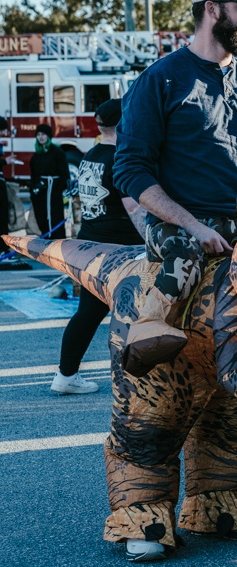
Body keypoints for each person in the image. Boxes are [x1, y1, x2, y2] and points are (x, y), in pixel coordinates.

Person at [114, 0, 237, 380]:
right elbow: (129, 168)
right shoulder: (161, 80)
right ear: (212, 9)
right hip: (182, 224)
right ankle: (145, 331)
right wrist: (192, 226)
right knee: (186, 253)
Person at [51, 100, 147, 395]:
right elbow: (133, 208)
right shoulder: (121, 157)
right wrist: (152, 240)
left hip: (89, 242)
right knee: (137, 313)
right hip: (120, 248)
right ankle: (137, 380)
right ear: (123, 124)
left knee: (88, 313)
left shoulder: (90, 155)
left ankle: (66, 375)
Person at [29, 124, 69, 240]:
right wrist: (34, 188)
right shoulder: (36, 155)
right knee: (41, 215)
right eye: (38, 135)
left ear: (49, 136)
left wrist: (59, 187)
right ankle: (46, 236)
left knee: (55, 215)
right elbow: (34, 174)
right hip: (41, 192)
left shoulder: (58, 153)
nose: (41, 137)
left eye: (43, 134)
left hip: (53, 191)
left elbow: (64, 174)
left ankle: (56, 240)